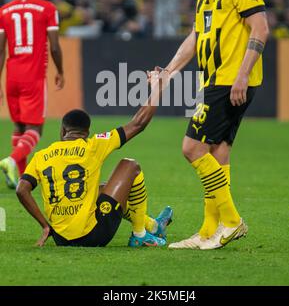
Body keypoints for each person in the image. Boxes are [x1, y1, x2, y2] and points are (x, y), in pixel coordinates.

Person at [150, 0, 269, 250]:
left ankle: (231, 221)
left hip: (231, 80)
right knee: (218, 152)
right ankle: (208, 231)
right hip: (216, 80)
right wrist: (170, 71)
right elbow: (195, 38)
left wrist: (243, 74)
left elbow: (260, 27)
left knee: (191, 148)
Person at [16, 75, 173, 248]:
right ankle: (139, 235)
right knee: (130, 165)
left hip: (60, 239)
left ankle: (153, 225)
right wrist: (158, 88)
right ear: (87, 132)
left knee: (101, 189)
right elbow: (138, 124)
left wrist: (45, 226)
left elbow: (21, 189)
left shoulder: (41, 155)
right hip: (93, 236)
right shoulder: (93, 145)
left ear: (63, 130)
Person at [0, 0, 64, 189]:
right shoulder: (47, 8)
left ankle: (20, 176)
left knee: (19, 129)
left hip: (12, 76)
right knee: (35, 129)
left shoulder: (5, 10)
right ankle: (11, 160)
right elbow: (54, 46)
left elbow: (0, 50)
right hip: (33, 76)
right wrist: (61, 71)